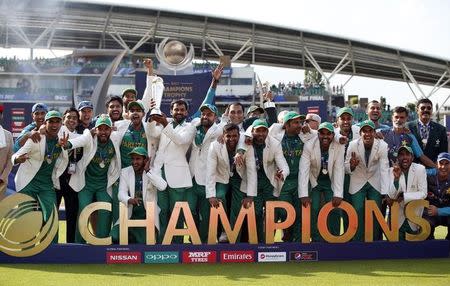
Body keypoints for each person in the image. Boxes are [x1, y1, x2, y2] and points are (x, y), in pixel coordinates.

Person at [62, 115, 121, 243]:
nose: (103, 132)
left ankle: (102, 241)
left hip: (104, 184)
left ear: (111, 130)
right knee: (83, 210)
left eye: (106, 129)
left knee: (106, 210)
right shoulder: (90, 138)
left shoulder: (115, 138)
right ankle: (80, 243)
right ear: (96, 129)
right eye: (101, 129)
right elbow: (79, 141)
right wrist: (67, 144)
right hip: (86, 184)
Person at [12, 110, 68, 243]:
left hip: (47, 184)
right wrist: (18, 159)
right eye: (51, 122)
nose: (54, 125)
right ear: (45, 123)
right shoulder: (36, 138)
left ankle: (52, 247)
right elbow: (15, 155)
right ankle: (24, 246)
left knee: (52, 215)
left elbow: (81, 138)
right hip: (28, 182)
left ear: (61, 123)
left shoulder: (63, 138)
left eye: (57, 121)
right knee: (27, 216)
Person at [150, 98, 196, 243]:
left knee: (177, 212)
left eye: (182, 110)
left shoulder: (190, 127)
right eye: (176, 109)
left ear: (187, 112)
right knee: (162, 210)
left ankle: (177, 244)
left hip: (178, 175)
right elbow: (152, 132)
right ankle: (163, 242)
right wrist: (152, 115)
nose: (179, 112)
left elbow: (181, 141)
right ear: (171, 111)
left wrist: (164, 123)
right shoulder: (166, 123)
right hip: (159, 172)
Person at [206, 123, 257, 242]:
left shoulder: (247, 146)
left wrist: (250, 195)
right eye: (228, 136)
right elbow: (210, 171)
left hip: (239, 178)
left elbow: (251, 171)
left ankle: (234, 240)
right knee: (219, 197)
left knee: (238, 206)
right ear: (223, 136)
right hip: (222, 177)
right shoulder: (215, 146)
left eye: (235, 136)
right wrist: (211, 195)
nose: (231, 139)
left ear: (239, 136)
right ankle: (225, 229)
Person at [270, 111, 313, 242]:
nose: (299, 125)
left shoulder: (305, 136)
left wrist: (309, 129)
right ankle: (287, 235)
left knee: (301, 213)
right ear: (287, 125)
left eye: (300, 122)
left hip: (301, 180)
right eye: (295, 123)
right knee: (284, 212)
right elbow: (253, 130)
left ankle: (299, 241)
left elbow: (324, 133)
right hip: (283, 181)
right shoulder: (276, 137)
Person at [299, 122, 345, 242]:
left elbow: (339, 170)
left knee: (335, 208)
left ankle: (334, 238)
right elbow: (303, 170)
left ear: (333, 135)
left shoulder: (339, 145)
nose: (325, 136)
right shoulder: (309, 145)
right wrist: (303, 194)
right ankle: (316, 239)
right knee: (313, 209)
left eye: (328, 134)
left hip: (330, 181)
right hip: (315, 180)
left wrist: (338, 194)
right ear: (318, 134)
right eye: (322, 133)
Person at [111, 147, 167, 243]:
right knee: (114, 237)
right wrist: (129, 200)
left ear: (145, 160)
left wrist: (148, 171)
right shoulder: (125, 171)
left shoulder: (153, 171)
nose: (134, 162)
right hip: (130, 214)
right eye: (133, 159)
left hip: (146, 216)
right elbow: (121, 193)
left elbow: (163, 186)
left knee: (142, 244)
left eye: (138, 159)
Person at [345, 120, 389, 241]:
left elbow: (384, 169)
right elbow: (346, 167)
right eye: (365, 131)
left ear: (375, 133)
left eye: (370, 131)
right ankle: (357, 242)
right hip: (357, 180)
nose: (367, 134)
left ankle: (374, 242)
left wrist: (385, 192)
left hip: (375, 181)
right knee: (357, 211)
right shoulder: (353, 145)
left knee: (376, 212)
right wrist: (352, 166)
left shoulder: (382, 145)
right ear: (360, 133)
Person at [188, 103, 224, 242]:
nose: (205, 116)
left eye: (209, 114)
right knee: (190, 210)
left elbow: (232, 129)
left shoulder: (219, 130)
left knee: (206, 214)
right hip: (191, 177)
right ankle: (193, 237)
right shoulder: (194, 128)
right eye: (203, 114)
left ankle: (203, 242)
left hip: (207, 178)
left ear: (215, 117)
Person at [249, 119, 289, 242]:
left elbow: (283, 163)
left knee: (271, 213)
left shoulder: (274, 143)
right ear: (252, 131)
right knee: (256, 214)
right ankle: (257, 241)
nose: (261, 134)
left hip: (268, 182)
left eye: (264, 131)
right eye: (258, 131)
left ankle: (268, 241)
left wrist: (283, 173)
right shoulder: (246, 142)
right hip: (252, 182)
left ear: (267, 131)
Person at [387, 145, 427, 240]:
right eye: (401, 155)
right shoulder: (391, 171)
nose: (404, 157)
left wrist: (404, 196)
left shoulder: (420, 169)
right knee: (395, 250)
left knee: (412, 252)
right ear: (398, 158)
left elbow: (423, 193)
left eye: (407, 154)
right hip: (397, 218)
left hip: (414, 217)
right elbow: (392, 196)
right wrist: (396, 178)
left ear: (412, 157)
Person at [55, 107, 81, 243]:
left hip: (72, 179)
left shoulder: (81, 135)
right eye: (69, 117)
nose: (71, 120)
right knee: (54, 215)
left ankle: (70, 245)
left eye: (74, 118)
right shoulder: (56, 133)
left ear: (78, 121)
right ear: (63, 119)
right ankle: (51, 245)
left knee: (72, 215)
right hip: (57, 179)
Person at [407, 98, 448, 163]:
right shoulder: (408, 127)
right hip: (413, 169)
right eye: (423, 108)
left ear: (432, 110)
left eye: (429, 108)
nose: (426, 110)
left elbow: (443, 153)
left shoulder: (441, 129)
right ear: (417, 110)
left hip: (434, 169)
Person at [424, 152, 450, 240]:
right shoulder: (427, 177)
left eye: (447, 164)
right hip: (431, 214)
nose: (443, 167)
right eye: (441, 163)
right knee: (426, 224)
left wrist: (439, 211)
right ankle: (429, 248)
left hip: (447, 213)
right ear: (436, 164)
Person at [0, 105, 14, 201]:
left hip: (1, 182)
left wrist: (2, 178)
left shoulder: (8, 135)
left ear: (1, 115)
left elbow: (10, 159)